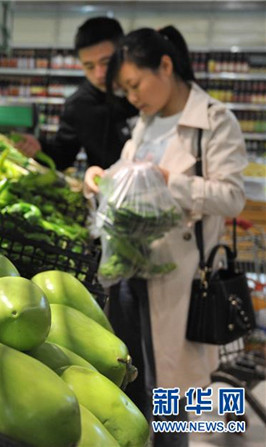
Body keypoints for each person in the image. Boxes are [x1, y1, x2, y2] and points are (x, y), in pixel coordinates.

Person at [84, 26, 247, 446]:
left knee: (171, 393)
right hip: (129, 272)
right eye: (125, 90)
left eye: (135, 84)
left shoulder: (214, 121)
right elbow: (127, 176)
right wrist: (99, 178)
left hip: (180, 279)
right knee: (134, 380)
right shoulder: (146, 123)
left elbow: (232, 198)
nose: (132, 97)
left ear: (166, 66)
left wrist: (169, 180)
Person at [16, 17, 137, 170]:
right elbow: (62, 155)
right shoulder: (79, 105)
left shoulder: (147, 90)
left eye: (106, 62)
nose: (99, 74)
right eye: (89, 66)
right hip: (107, 183)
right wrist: (39, 148)